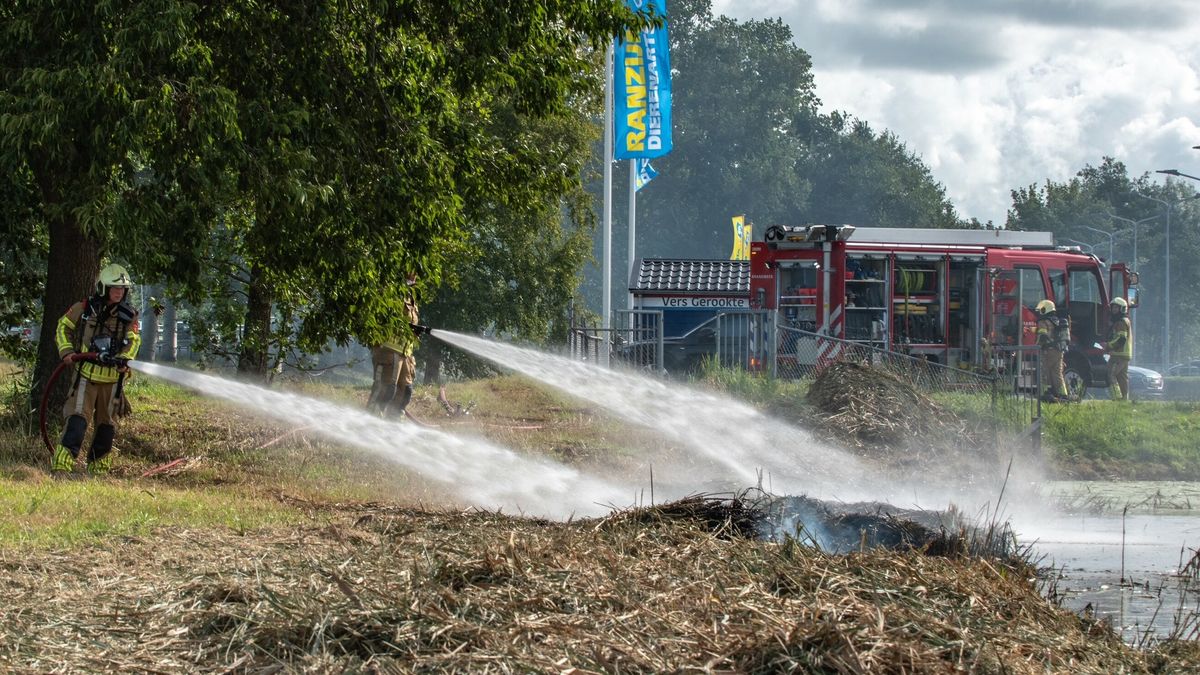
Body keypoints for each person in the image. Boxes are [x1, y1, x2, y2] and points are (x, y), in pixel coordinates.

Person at [52, 264, 141, 475]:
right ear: (103, 288)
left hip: (112, 382)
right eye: (114, 288)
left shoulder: (129, 316)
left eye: (122, 289)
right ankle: (61, 468)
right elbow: (62, 326)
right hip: (85, 378)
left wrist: (125, 359)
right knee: (77, 421)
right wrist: (66, 352)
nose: (119, 292)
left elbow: (134, 341)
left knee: (106, 428)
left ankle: (98, 471)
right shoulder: (84, 309)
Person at [367, 276, 423, 417]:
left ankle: (394, 426)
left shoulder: (412, 299)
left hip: (405, 354)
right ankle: (369, 423)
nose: (414, 275)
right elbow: (381, 318)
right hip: (388, 351)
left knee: (405, 392)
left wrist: (415, 332)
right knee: (386, 390)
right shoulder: (391, 292)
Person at [1035, 299, 1069, 401]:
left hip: (1048, 351)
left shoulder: (1043, 321)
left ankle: (1045, 394)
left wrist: (1037, 344)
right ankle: (1063, 395)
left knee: (1044, 372)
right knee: (1057, 373)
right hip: (1059, 351)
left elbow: (1042, 336)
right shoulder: (1057, 321)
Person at [1107, 296, 1132, 401]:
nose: (1113, 310)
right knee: (1122, 378)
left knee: (1111, 375)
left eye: (1116, 308)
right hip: (1125, 355)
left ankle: (1117, 398)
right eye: (1113, 308)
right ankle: (1124, 400)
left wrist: (1108, 345)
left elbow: (1121, 339)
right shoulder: (1125, 321)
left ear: (1122, 309)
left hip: (1118, 355)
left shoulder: (1121, 322)